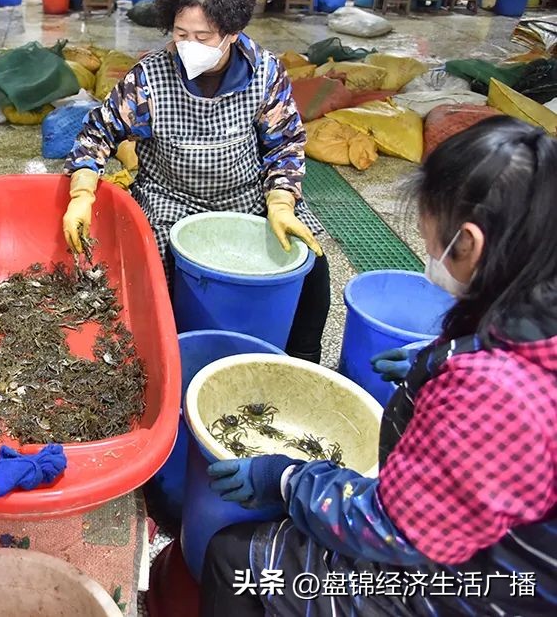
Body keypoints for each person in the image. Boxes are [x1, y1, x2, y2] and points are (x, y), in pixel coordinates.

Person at [200, 117, 557, 616]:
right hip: (498, 548)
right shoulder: (533, 295)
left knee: (235, 560)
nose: (427, 245)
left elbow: (397, 530)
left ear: (469, 242)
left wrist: (284, 478)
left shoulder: (492, 394)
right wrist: (435, 361)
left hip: (480, 589)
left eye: (428, 227)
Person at [62, 0, 329, 363]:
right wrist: (82, 193)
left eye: (203, 37)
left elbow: (286, 142)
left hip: (247, 197)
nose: (189, 45)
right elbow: (97, 133)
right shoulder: (148, 78)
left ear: (233, 32)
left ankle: (301, 360)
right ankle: (169, 357)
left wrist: (281, 202)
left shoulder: (265, 73)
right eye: (180, 33)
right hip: (169, 199)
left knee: (312, 263)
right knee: (154, 275)